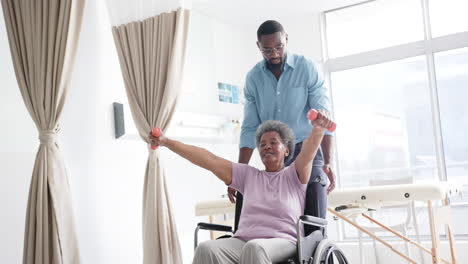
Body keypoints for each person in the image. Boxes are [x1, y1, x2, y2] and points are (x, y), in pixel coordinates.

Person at [148, 112, 333, 264]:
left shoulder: (294, 175)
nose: (267, 147)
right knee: (207, 249)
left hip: (283, 242)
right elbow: (209, 160)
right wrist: (166, 142)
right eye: (262, 144)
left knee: (255, 248)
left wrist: (318, 129)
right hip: (243, 241)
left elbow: (308, 153)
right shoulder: (248, 176)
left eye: (274, 143)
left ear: (287, 150)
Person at [228, 20, 335, 233]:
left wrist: (328, 162)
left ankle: (310, 249)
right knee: (250, 195)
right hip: (274, 153)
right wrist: (238, 174)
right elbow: (249, 128)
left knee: (314, 199)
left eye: (278, 47)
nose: (274, 53)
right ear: (258, 47)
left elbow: (324, 119)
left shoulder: (306, 68)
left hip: (307, 150)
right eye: (267, 50)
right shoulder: (254, 78)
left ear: (286, 39)